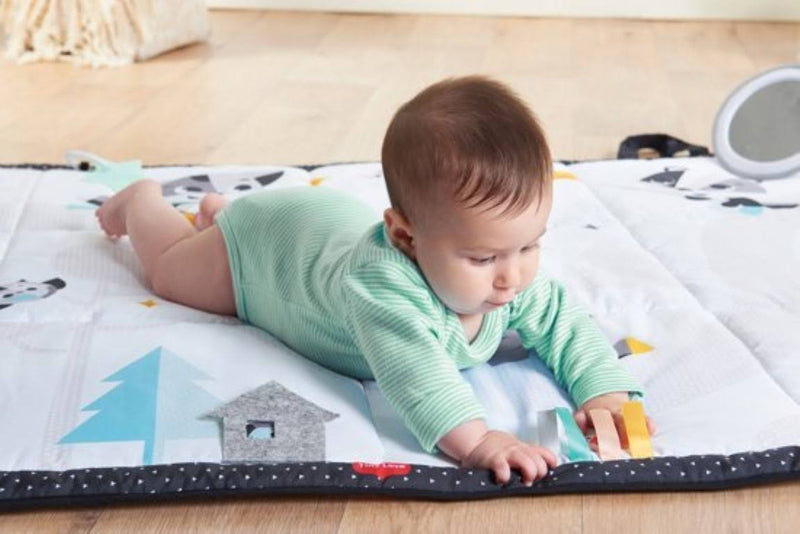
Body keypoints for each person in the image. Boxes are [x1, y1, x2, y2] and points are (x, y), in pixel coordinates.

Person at [96, 75, 655, 486]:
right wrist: (481, 440)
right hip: (264, 255)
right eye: (484, 258)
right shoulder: (383, 292)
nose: (513, 276)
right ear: (406, 237)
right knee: (170, 271)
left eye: (529, 245)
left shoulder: (507, 275)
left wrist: (604, 392)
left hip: (320, 225)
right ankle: (144, 202)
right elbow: (422, 382)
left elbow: (564, 323)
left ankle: (220, 211)